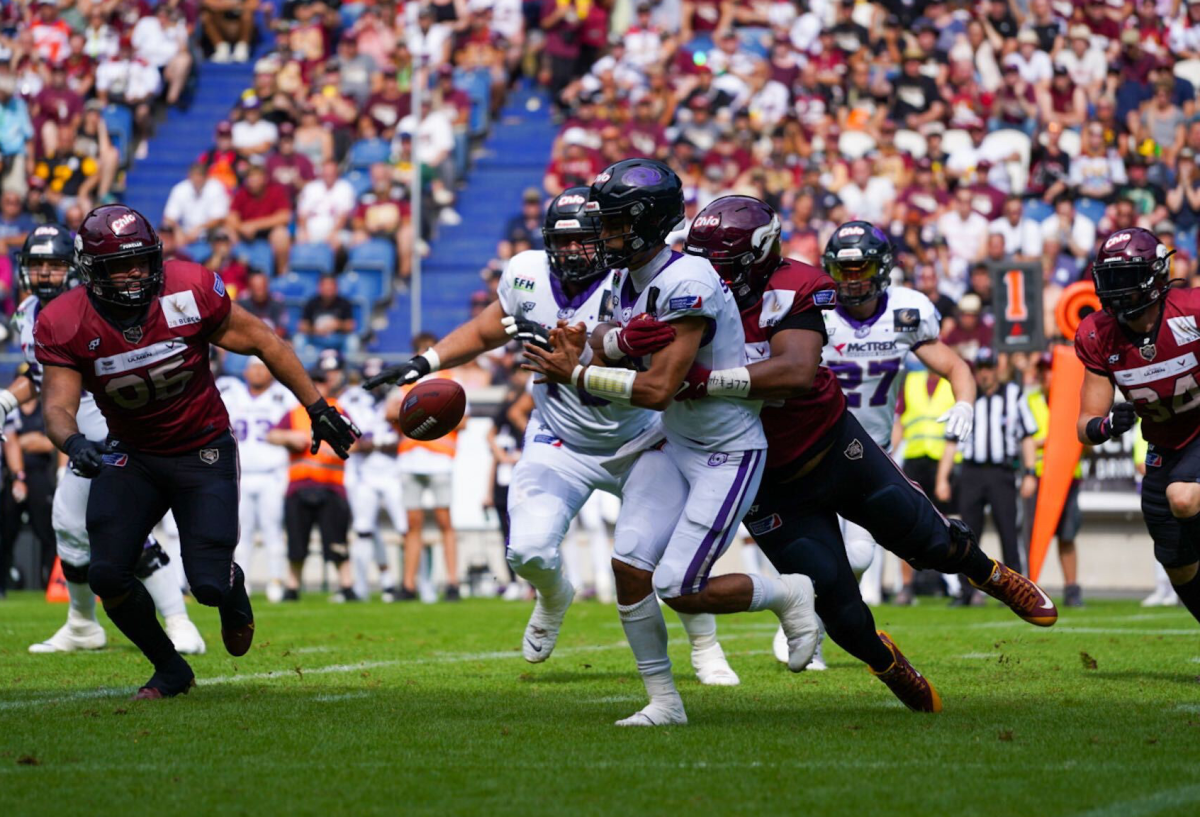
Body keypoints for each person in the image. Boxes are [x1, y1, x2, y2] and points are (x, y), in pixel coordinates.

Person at [635, 196, 1059, 711]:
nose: (711, 275)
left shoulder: (797, 286)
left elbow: (794, 373)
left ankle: (989, 573)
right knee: (837, 606)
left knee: (928, 543)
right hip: (762, 476)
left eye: (724, 264)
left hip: (837, 447)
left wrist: (705, 381)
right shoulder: (684, 291)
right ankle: (887, 663)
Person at [364, 183, 747, 694]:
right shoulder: (525, 275)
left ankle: (705, 647)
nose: (570, 251)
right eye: (560, 241)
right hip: (560, 438)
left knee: (660, 556)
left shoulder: (635, 277)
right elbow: (485, 331)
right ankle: (553, 597)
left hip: (641, 438)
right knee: (527, 553)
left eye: (581, 239)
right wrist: (424, 363)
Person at [519, 162, 824, 727]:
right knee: (629, 568)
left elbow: (658, 388)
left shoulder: (689, 281)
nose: (601, 236)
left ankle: (788, 594)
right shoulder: (625, 277)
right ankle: (665, 702)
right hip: (672, 442)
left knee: (678, 586)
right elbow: (609, 339)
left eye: (611, 224)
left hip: (725, 449)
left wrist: (578, 372)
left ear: (646, 222)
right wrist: (602, 342)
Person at [33, 205, 359, 698]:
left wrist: (317, 407)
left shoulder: (187, 289)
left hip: (201, 446)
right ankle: (170, 668)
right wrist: (74, 441)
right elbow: (58, 404)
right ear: (92, 271)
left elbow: (265, 343)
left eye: (141, 262)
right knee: (106, 571)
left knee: (207, 585)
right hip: (133, 454)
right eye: (119, 266)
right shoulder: (65, 320)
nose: (133, 275)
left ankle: (231, 583)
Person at [0, 224, 204, 657]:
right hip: (80, 435)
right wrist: (6, 399)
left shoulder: (92, 308)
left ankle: (178, 619)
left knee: (121, 529)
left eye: (55, 265)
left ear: (75, 268)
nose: (46, 274)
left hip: (118, 427)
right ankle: (81, 624)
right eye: (38, 265)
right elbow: (39, 379)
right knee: (70, 526)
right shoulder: (26, 314)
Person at [803, 221, 976, 661]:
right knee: (814, 551)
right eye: (843, 270)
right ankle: (805, 623)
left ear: (880, 269)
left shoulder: (906, 311)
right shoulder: (815, 313)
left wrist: (966, 404)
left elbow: (955, 366)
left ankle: (811, 622)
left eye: (861, 268)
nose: (852, 279)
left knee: (858, 555)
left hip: (870, 455)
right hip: (814, 450)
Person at [1075, 227, 1200, 630]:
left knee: (1183, 497)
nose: (1115, 289)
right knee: (1177, 565)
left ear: (1154, 275)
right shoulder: (1097, 334)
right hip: (1165, 445)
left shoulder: (1191, 311)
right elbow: (1084, 425)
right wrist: (1108, 423)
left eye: (1124, 277)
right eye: (1109, 277)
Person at [268, 350, 360, 602]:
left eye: (321, 381)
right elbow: (272, 435)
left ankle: (346, 585)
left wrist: (336, 448)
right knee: (297, 541)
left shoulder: (338, 410)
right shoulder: (295, 412)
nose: (317, 385)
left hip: (331, 485)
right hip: (299, 484)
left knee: (337, 540)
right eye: (314, 381)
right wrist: (290, 438)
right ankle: (292, 586)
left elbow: (356, 442)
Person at [387, 332, 467, 602]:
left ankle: (453, 582)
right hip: (411, 459)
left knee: (445, 521)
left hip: (439, 459)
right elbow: (389, 412)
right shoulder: (407, 380)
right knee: (413, 524)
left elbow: (463, 420)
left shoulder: (449, 380)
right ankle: (408, 585)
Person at [955, 347, 1038, 602]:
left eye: (988, 368)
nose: (984, 374)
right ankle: (966, 591)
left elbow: (1027, 436)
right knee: (967, 534)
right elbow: (951, 439)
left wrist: (1030, 472)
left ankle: (1017, 592)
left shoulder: (1013, 395)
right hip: (971, 472)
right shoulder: (968, 397)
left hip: (1001, 473)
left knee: (1008, 532)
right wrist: (943, 477)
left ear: (996, 369)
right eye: (980, 369)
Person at [219, 357, 296, 602]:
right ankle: (243, 582)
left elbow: (299, 428)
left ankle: (275, 580)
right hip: (241, 473)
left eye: (263, 367)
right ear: (245, 371)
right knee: (241, 533)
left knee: (273, 530)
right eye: (254, 367)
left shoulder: (284, 396)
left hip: (273, 473)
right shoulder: (231, 391)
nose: (258, 372)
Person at [339, 358, 407, 602]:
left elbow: (401, 434)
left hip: (393, 473)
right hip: (363, 473)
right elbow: (354, 442)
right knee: (364, 529)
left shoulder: (400, 396)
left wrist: (375, 443)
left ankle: (411, 584)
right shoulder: (353, 400)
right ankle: (365, 587)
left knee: (405, 528)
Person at [1025, 355, 1084, 607]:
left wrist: (1051, 443)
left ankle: (1072, 589)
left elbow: (1084, 441)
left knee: (1067, 535)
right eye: (1042, 371)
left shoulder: (1073, 402)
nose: (1045, 376)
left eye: (1049, 370)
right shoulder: (1030, 401)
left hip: (1069, 476)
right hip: (1039, 475)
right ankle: (1029, 588)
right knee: (1034, 535)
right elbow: (1025, 440)